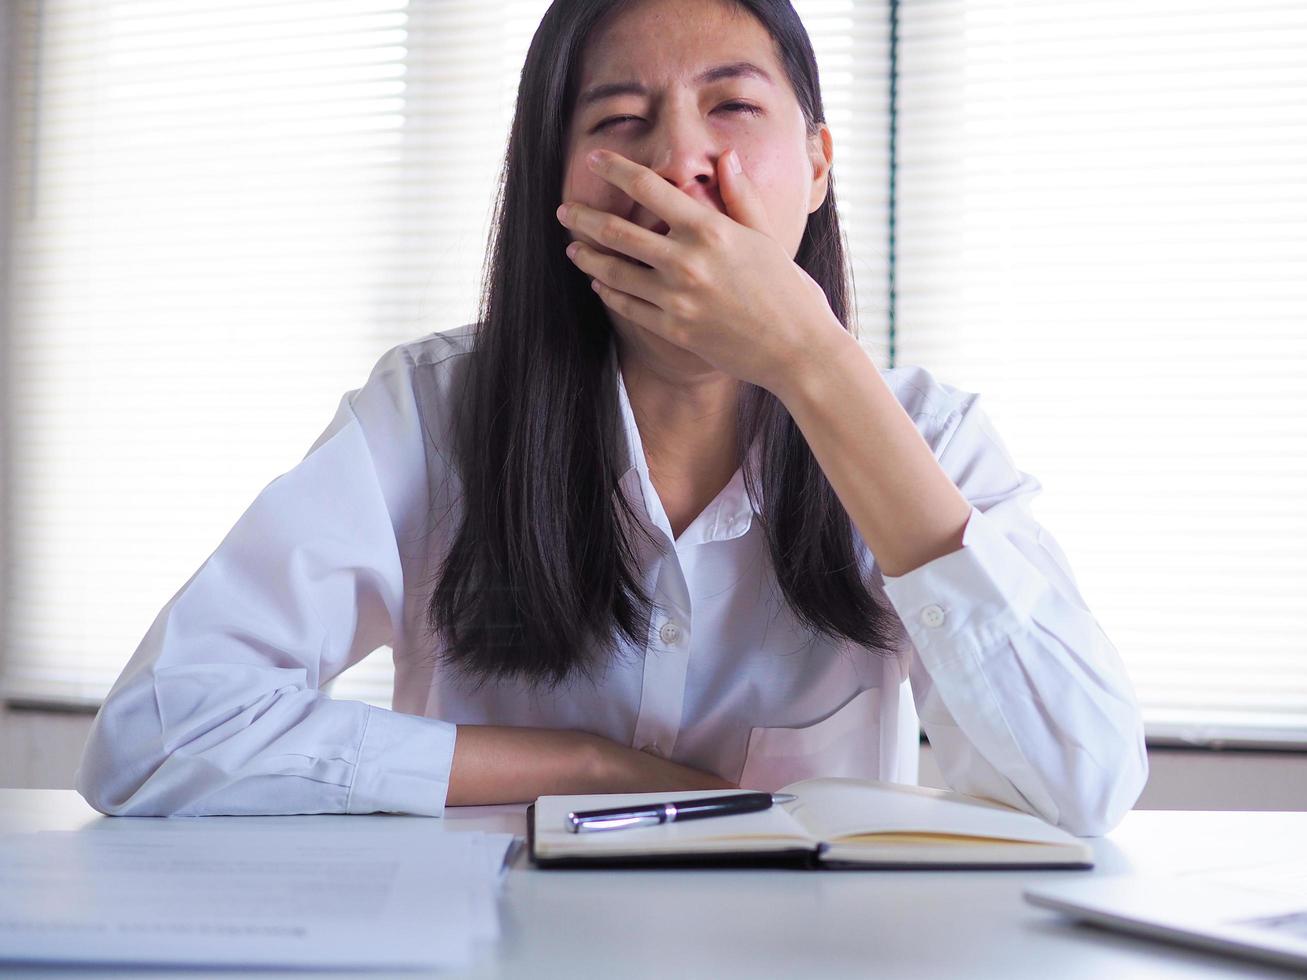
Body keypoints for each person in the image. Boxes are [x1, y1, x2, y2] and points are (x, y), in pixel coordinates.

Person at [75, 0, 1148, 836]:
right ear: (558, 188)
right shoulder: (434, 412)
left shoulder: (926, 434)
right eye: (620, 120)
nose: (679, 162)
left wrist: (815, 361)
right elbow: (156, 734)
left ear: (818, 167)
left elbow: (1082, 780)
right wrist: (595, 769)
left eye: (731, 107)